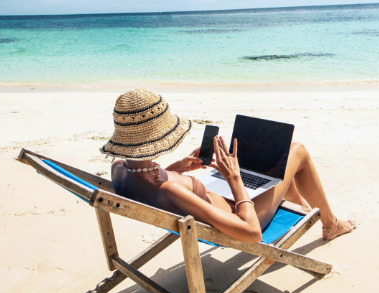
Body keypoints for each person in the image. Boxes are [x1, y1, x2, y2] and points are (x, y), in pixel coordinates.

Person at [100, 88, 355, 243]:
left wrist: (180, 167)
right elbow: (251, 232)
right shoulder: (169, 191)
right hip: (242, 213)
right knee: (297, 151)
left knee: (276, 174)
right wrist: (234, 179)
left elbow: (149, 181)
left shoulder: (120, 168)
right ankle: (330, 224)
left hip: (221, 199)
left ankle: (304, 209)